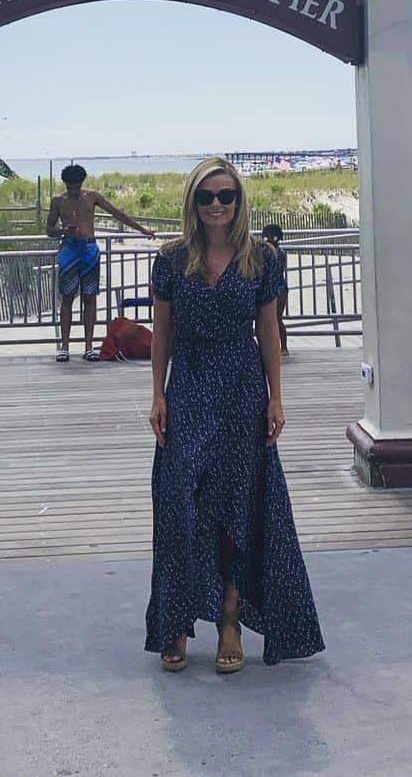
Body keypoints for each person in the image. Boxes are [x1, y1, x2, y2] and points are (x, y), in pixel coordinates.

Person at [145, 157, 324, 672]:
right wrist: (157, 395)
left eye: (227, 196)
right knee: (180, 500)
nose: (218, 205)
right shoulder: (172, 259)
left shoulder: (261, 259)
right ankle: (174, 621)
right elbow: (163, 334)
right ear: (193, 203)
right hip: (191, 383)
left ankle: (229, 619)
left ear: (240, 202)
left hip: (243, 388)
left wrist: (276, 396)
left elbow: (269, 331)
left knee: (236, 506)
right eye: (207, 196)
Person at [46, 164, 155, 363]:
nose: (73, 191)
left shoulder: (92, 196)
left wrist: (142, 230)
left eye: (76, 187)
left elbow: (117, 213)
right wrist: (63, 232)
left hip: (89, 248)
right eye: (70, 187)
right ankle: (64, 346)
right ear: (65, 185)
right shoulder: (58, 201)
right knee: (67, 296)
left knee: (90, 296)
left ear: (82, 183)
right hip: (69, 248)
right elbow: (49, 228)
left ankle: (89, 346)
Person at [260, 224, 290, 355]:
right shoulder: (265, 251)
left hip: (279, 288)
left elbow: (276, 270)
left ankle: (283, 347)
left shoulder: (278, 253)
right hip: (272, 287)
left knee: (277, 318)